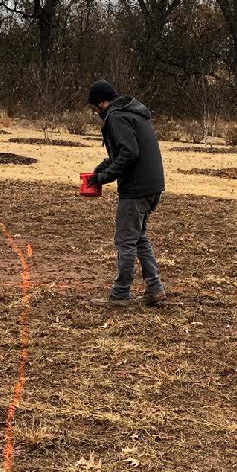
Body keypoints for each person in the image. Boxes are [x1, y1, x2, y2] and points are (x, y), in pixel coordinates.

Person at [85, 79, 166, 307]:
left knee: (125, 241)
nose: (96, 112)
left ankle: (120, 293)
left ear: (101, 103)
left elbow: (129, 153)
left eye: (94, 108)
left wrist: (103, 178)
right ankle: (155, 288)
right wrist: (103, 167)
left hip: (136, 189)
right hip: (152, 186)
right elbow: (123, 151)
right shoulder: (132, 113)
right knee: (138, 238)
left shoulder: (117, 117)